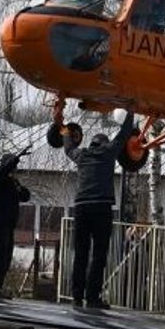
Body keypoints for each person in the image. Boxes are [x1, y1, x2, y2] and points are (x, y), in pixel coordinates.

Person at [65, 111, 136, 309]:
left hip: (81, 209)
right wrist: (131, 110)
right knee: (99, 254)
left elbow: (68, 147)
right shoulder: (108, 152)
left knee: (80, 253)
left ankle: (77, 297)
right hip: (101, 208)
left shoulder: (81, 155)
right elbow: (124, 134)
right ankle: (93, 298)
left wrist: (63, 128)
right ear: (103, 143)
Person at [0, 147, 32, 298]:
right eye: (12, 166)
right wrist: (17, 157)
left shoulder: (11, 182)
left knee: (6, 258)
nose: (14, 170)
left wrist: (18, 185)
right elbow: (3, 169)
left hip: (8, 224)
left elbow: (25, 196)